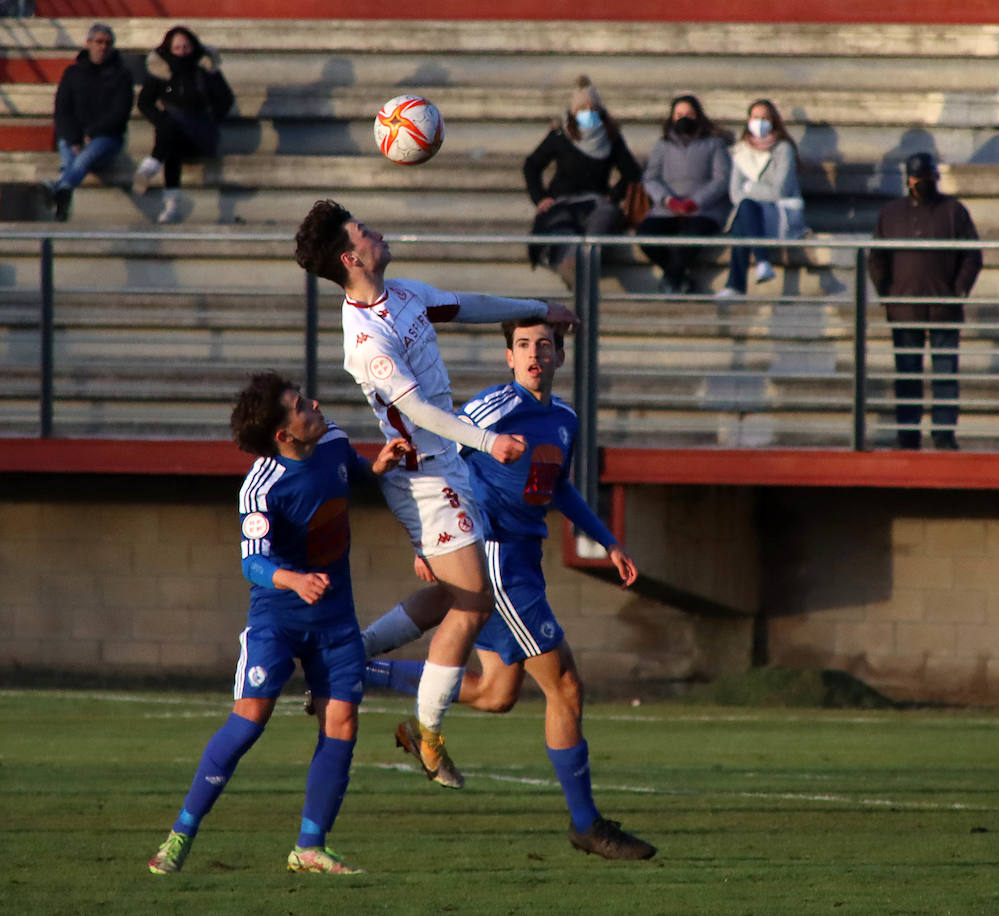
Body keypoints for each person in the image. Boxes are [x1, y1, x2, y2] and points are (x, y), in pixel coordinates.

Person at [294, 198, 577, 791]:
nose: (376, 232)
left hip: (447, 466)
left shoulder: (402, 294)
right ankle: (427, 736)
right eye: (363, 232)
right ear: (350, 258)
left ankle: (343, 659)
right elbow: (418, 410)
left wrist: (537, 309)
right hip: (424, 474)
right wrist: (488, 440)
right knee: (472, 602)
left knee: (453, 596)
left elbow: (467, 305)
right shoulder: (365, 338)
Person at [364, 317, 656, 860]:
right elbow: (433, 456)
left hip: (525, 558)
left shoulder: (564, 418)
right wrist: (431, 537)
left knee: (497, 695)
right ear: (509, 357)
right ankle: (587, 825)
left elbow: (559, 486)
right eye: (523, 345)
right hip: (495, 558)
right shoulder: (491, 410)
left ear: (560, 357)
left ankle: (356, 672)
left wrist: (608, 540)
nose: (534, 354)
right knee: (564, 686)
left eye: (544, 345)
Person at [145, 371, 409, 877]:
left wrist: (377, 465)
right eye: (301, 405)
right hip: (279, 618)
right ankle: (180, 834)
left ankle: (310, 846)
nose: (315, 404)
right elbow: (252, 561)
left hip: (335, 617)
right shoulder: (261, 487)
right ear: (284, 434)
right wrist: (295, 580)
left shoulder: (332, 439)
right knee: (249, 720)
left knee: (342, 722)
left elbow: (350, 472)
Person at [869, 152, 982, 450]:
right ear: (908, 179)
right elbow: (877, 257)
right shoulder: (891, 213)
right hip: (904, 308)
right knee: (907, 374)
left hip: (944, 308)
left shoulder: (954, 211)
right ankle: (908, 434)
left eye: (926, 177)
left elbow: (972, 255)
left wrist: (958, 291)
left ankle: (944, 435)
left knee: (945, 374)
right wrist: (887, 294)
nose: (921, 182)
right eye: (916, 177)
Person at [523, 75, 641, 283]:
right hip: (562, 200)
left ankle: (584, 263)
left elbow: (632, 172)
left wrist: (613, 195)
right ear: (573, 112)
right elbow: (531, 165)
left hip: (595, 201)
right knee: (561, 224)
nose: (588, 112)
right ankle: (572, 266)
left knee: (605, 215)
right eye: (582, 108)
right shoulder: (561, 136)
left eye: (592, 108)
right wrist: (540, 198)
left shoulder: (611, 138)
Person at [132, 25, 236, 224]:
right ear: (169, 49)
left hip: (201, 134)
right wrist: (159, 120)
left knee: (171, 122)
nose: (182, 52)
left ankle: (151, 166)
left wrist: (211, 118)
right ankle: (172, 208)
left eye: (186, 47)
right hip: (173, 135)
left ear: (193, 47)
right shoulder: (161, 71)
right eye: (177, 48)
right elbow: (144, 102)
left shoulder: (205, 69)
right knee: (170, 135)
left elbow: (226, 99)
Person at [636, 94, 732, 293]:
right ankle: (679, 276)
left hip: (704, 210)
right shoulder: (662, 145)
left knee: (691, 238)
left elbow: (721, 179)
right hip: (667, 209)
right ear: (672, 117)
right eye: (679, 114)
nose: (684, 118)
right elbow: (651, 178)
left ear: (698, 116)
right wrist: (667, 200)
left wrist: (695, 201)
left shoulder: (714, 144)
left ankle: (671, 281)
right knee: (645, 236)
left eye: (689, 114)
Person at [719, 98, 804, 297]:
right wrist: (755, 192)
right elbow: (735, 194)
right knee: (745, 208)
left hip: (780, 212)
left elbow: (780, 191)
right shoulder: (741, 151)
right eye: (756, 117)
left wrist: (750, 187)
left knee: (744, 211)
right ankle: (762, 262)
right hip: (751, 213)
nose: (760, 122)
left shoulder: (783, 149)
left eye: (765, 118)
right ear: (748, 120)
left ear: (773, 121)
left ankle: (736, 285)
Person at [47, 23, 132, 222]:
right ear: (88, 43)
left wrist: (91, 134)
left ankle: (61, 187)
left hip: (106, 138)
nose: (103, 47)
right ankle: (63, 197)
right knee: (71, 152)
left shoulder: (122, 75)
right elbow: (62, 110)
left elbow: (120, 113)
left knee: (85, 157)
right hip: (74, 136)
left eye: (108, 43)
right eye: (99, 42)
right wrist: (75, 138)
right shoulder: (73, 73)